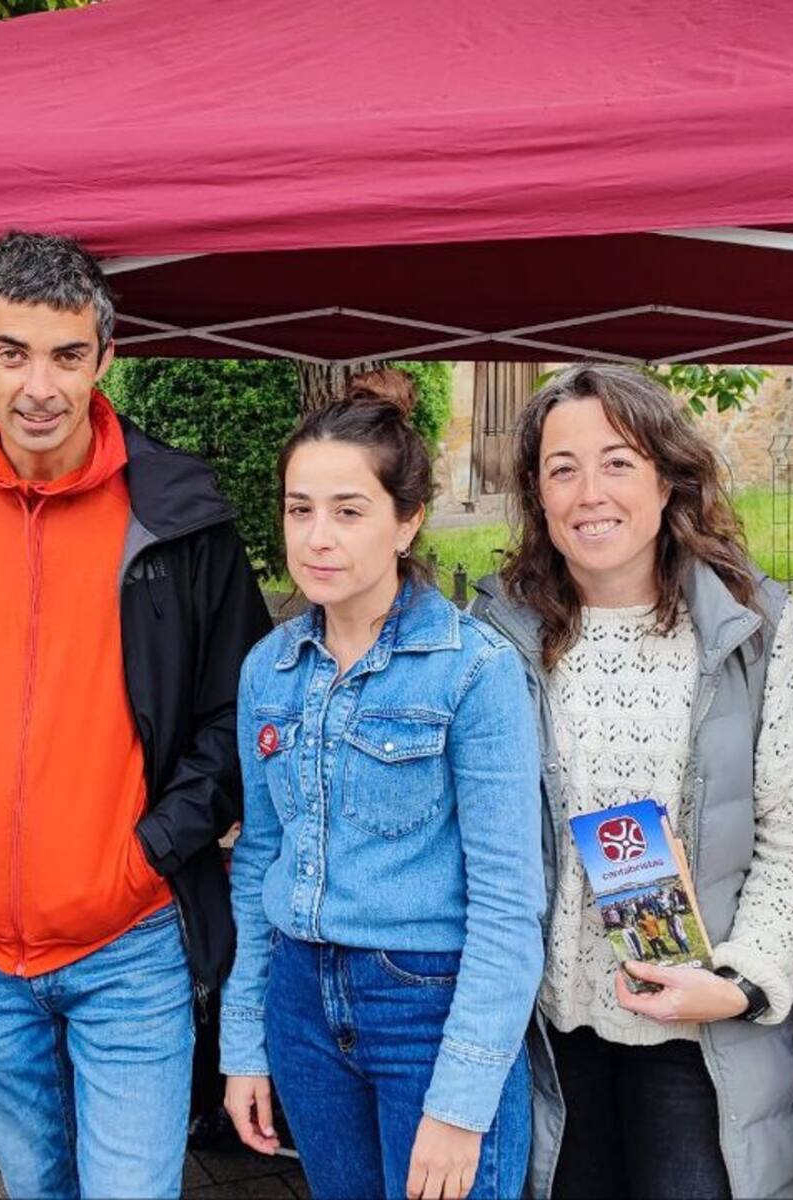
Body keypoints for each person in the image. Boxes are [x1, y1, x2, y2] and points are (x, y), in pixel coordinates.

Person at [0, 230, 270, 1198]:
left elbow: (238, 712)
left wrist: (147, 854)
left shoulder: (181, 515)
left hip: (129, 942)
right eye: (13, 352)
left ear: (106, 357)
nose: (39, 387)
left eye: (67, 355)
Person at [473, 363, 793, 1199]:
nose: (589, 491)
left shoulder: (760, 631)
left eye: (618, 462)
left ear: (668, 478)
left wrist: (738, 984)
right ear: (537, 493)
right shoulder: (497, 636)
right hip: (551, 1031)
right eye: (563, 469)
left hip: (698, 1039)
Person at [220, 387, 544, 1200]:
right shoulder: (269, 669)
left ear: (407, 522)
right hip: (300, 1007)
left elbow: (509, 901)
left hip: (427, 1013)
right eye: (299, 510)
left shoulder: (474, 670)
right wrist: (244, 1042)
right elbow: (261, 856)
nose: (317, 538)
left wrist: (464, 1097)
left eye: (349, 510)